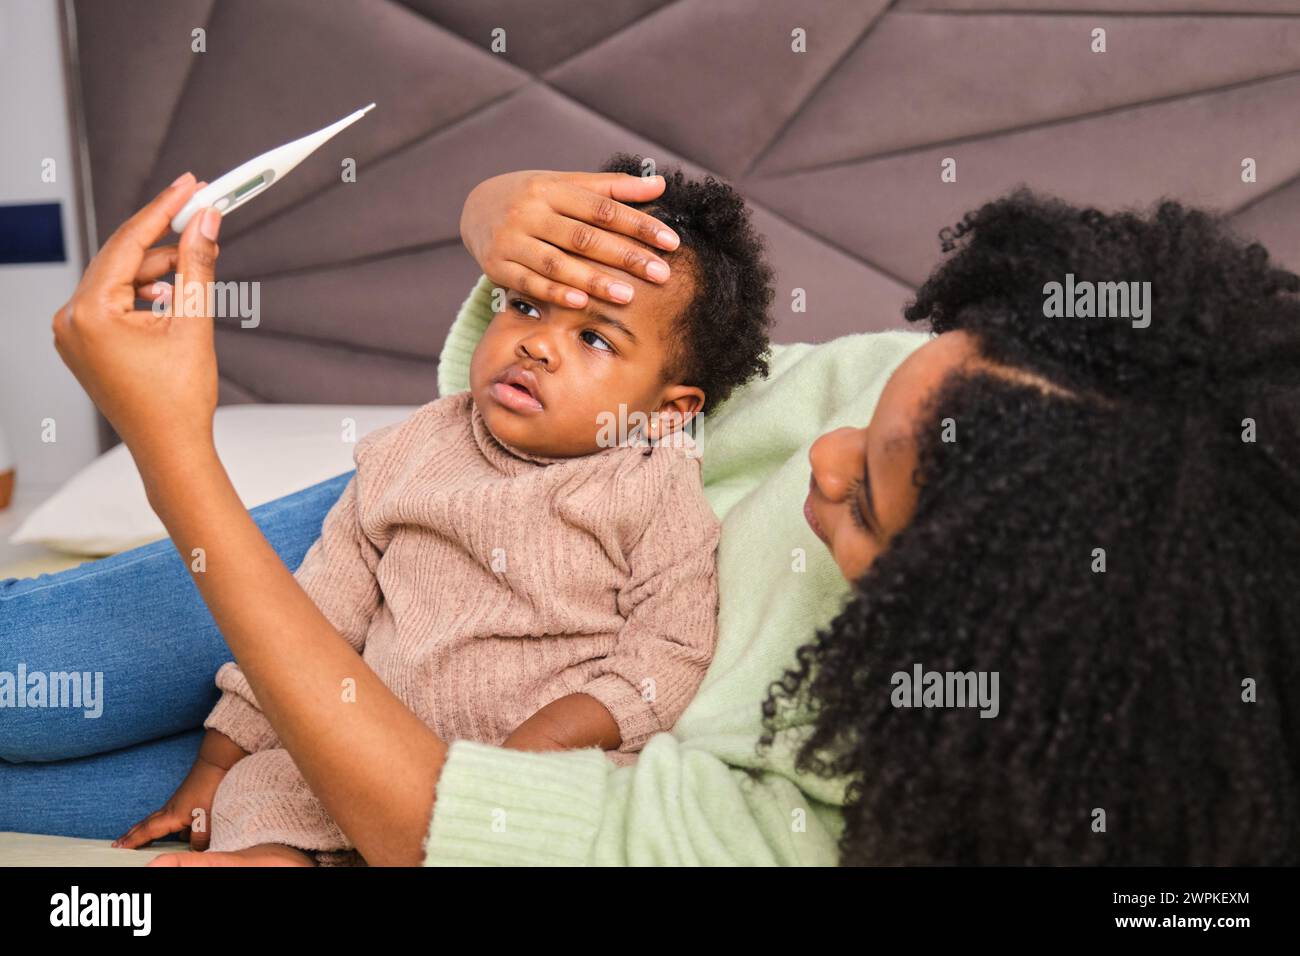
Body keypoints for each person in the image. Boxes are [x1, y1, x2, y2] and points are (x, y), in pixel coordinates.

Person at [6, 168, 1296, 865]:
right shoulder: (988, 406)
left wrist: (180, 455)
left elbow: (433, 824)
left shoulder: (847, 811)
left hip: (446, 743)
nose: (823, 454)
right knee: (21, 681)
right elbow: (574, 376)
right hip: (447, 511)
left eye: (865, 498)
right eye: (885, 395)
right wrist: (499, 219)